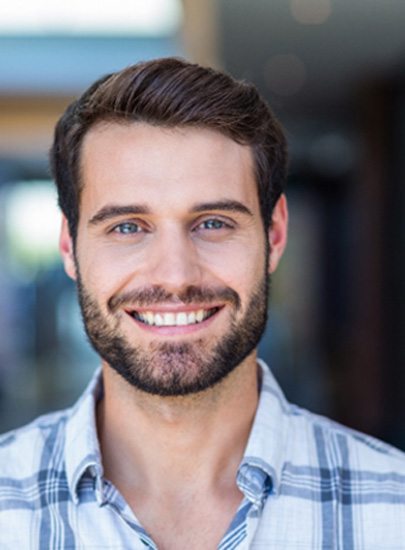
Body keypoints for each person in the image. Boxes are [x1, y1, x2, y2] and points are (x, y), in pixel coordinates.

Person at [0, 57, 404, 550]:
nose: (175, 276)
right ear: (69, 247)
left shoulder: (394, 509)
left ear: (274, 235)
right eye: (127, 227)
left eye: (213, 222)